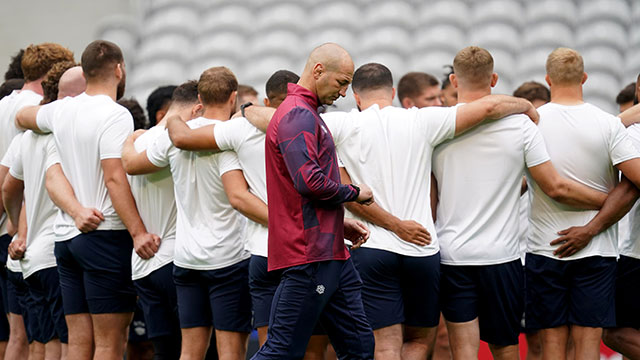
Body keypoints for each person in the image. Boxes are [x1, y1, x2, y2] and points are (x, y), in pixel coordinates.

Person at [432, 46, 613, 360]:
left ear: (453, 80)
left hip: (452, 254)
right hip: (501, 257)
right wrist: (609, 202)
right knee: (506, 347)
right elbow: (556, 187)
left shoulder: (433, 125)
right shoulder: (522, 126)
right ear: (495, 79)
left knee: (463, 350)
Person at [16, 40, 160, 360]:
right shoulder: (116, 114)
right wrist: (138, 233)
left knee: (79, 343)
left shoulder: (62, 109)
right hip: (105, 234)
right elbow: (113, 177)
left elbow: (24, 116)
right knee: (110, 343)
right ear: (119, 69)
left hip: (66, 237)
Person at [121, 67, 255, 360]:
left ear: (200, 98)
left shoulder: (174, 135)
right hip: (227, 258)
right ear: (233, 97)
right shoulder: (230, 136)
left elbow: (131, 165)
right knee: (230, 351)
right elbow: (240, 197)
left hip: (186, 259)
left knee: (190, 352)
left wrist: (131, 140)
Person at [524, 48, 640, 360]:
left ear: (548, 79)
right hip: (597, 251)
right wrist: (598, 218)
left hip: (545, 248)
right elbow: (636, 180)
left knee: (551, 347)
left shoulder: (531, 124)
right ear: (584, 78)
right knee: (588, 346)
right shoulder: (607, 124)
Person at [2, 54, 89, 360]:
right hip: (56, 254)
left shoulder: (27, 136)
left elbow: (11, 188)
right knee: (66, 347)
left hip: (26, 256)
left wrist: (16, 228)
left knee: (35, 345)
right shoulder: (70, 133)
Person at [120, 80, 203, 360]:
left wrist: (129, 141)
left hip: (144, 265)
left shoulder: (138, 141)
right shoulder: (182, 140)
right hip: (177, 260)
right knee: (198, 349)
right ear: (197, 108)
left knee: (164, 351)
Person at [512, 80, 551, 360]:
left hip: (544, 254)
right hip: (513, 258)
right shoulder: (509, 149)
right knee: (512, 339)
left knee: (546, 340)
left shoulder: (556, 153)